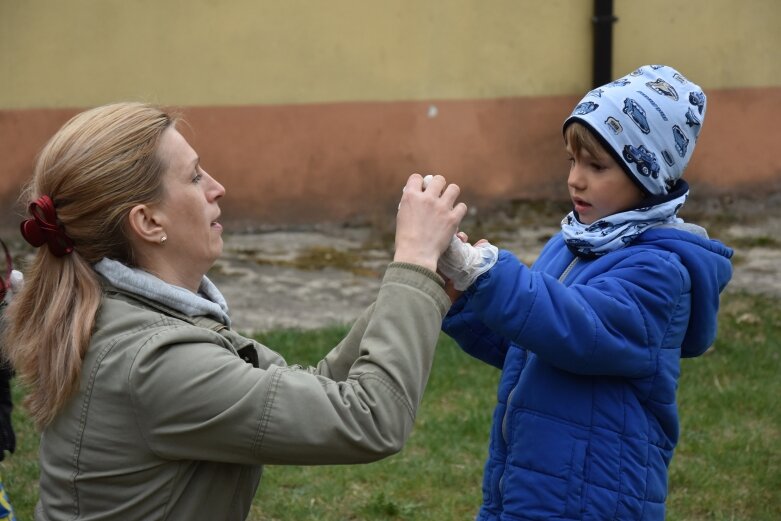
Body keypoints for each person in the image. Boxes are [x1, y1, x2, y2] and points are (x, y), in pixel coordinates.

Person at [1, 102, 467, 520]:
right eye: (195, 176)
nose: (218, 188)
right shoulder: (155, 361)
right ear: (147, 221)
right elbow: (370, 418)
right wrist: (412, 258)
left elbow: (315, 389)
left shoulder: (127, 315)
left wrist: (420, 285)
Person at [436, 65, 733, 520]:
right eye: (572, 161)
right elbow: (534, 341)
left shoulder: (660, 270)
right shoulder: (574, 242)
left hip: (593, 494)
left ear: (648, 174)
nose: (576, 179)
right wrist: (469, 299)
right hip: (532, 480)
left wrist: (489, 274)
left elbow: (581, 329)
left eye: (597, 166)